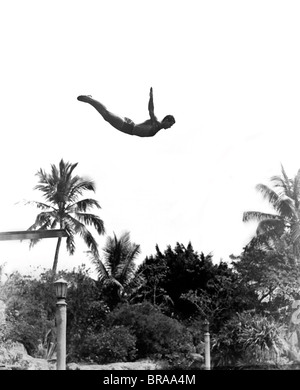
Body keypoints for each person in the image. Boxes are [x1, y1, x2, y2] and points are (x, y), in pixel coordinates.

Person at [77, 87, 175, 137]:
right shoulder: (155, 123)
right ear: (166, 120)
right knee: (106, 115)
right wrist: (151, 97)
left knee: (106, 116)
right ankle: (90, 99)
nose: (170, 127)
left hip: (129, 126)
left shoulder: (156, 129)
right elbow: (151, 110)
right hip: (129, 126)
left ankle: (90, 100)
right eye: (170, 124)